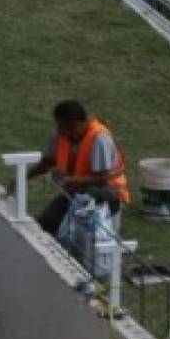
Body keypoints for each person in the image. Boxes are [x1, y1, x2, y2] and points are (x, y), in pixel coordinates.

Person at [22, 100, 131, 237]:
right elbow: (46, 163)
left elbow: (102, 179)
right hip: (77, 192)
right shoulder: (62, 136)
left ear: (74, 124)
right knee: (47, 220)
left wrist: (70, 180)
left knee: (81, 212)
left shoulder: (99, 138)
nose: (58, 130)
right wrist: (22, 178)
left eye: (61, 126)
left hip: (108, 193)